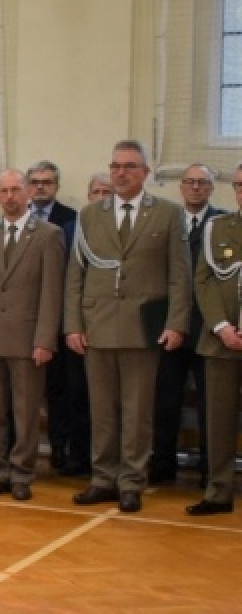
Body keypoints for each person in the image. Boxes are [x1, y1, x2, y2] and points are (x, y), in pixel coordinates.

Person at [65, 141, 190, 513]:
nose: (121, 173)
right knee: (101, 409)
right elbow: (76, 273)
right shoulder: (90, 215)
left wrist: (176, 323)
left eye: (130, 167)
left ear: (146, 173)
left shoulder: (168, 214)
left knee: (137, 411)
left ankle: (132, 481)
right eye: (116, 166)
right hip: (98, 324)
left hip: (143, 328)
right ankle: (103, 478)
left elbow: (179, 275)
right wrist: (72, 323)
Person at [0, 170, 65, 500]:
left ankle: (23, 473)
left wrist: (44, 339)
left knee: (26, 411)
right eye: (4, 191)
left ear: (27, 194)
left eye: (16, 190)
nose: (10, 196)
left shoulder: (48, 235)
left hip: (28, 339)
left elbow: (52, 292)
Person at [152, 164, 224, 483]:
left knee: (212, 406)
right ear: (181, 187)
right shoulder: (167, 220)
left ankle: (210, 468)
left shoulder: (223, 224)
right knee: (165, 401)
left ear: (211, 188)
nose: (195, 187)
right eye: (190, 182)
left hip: (210, 330)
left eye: (202, 183)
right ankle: (163, 465)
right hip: (170, 327)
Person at [188, 163, 242, 515]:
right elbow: (203, 281)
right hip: (221, 340)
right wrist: (221, 325)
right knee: (219, 421)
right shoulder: (217, 227)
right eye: (239, 185)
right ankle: (219, 490)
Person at [30, 160, 89, 476]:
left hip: (57, 316)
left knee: (62, 392)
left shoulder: (70, 220)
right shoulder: (16, 218)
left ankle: (60, 450)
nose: (41, 186)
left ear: (56, 186)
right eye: (36, 181)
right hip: (23, 318)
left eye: (47, 182)